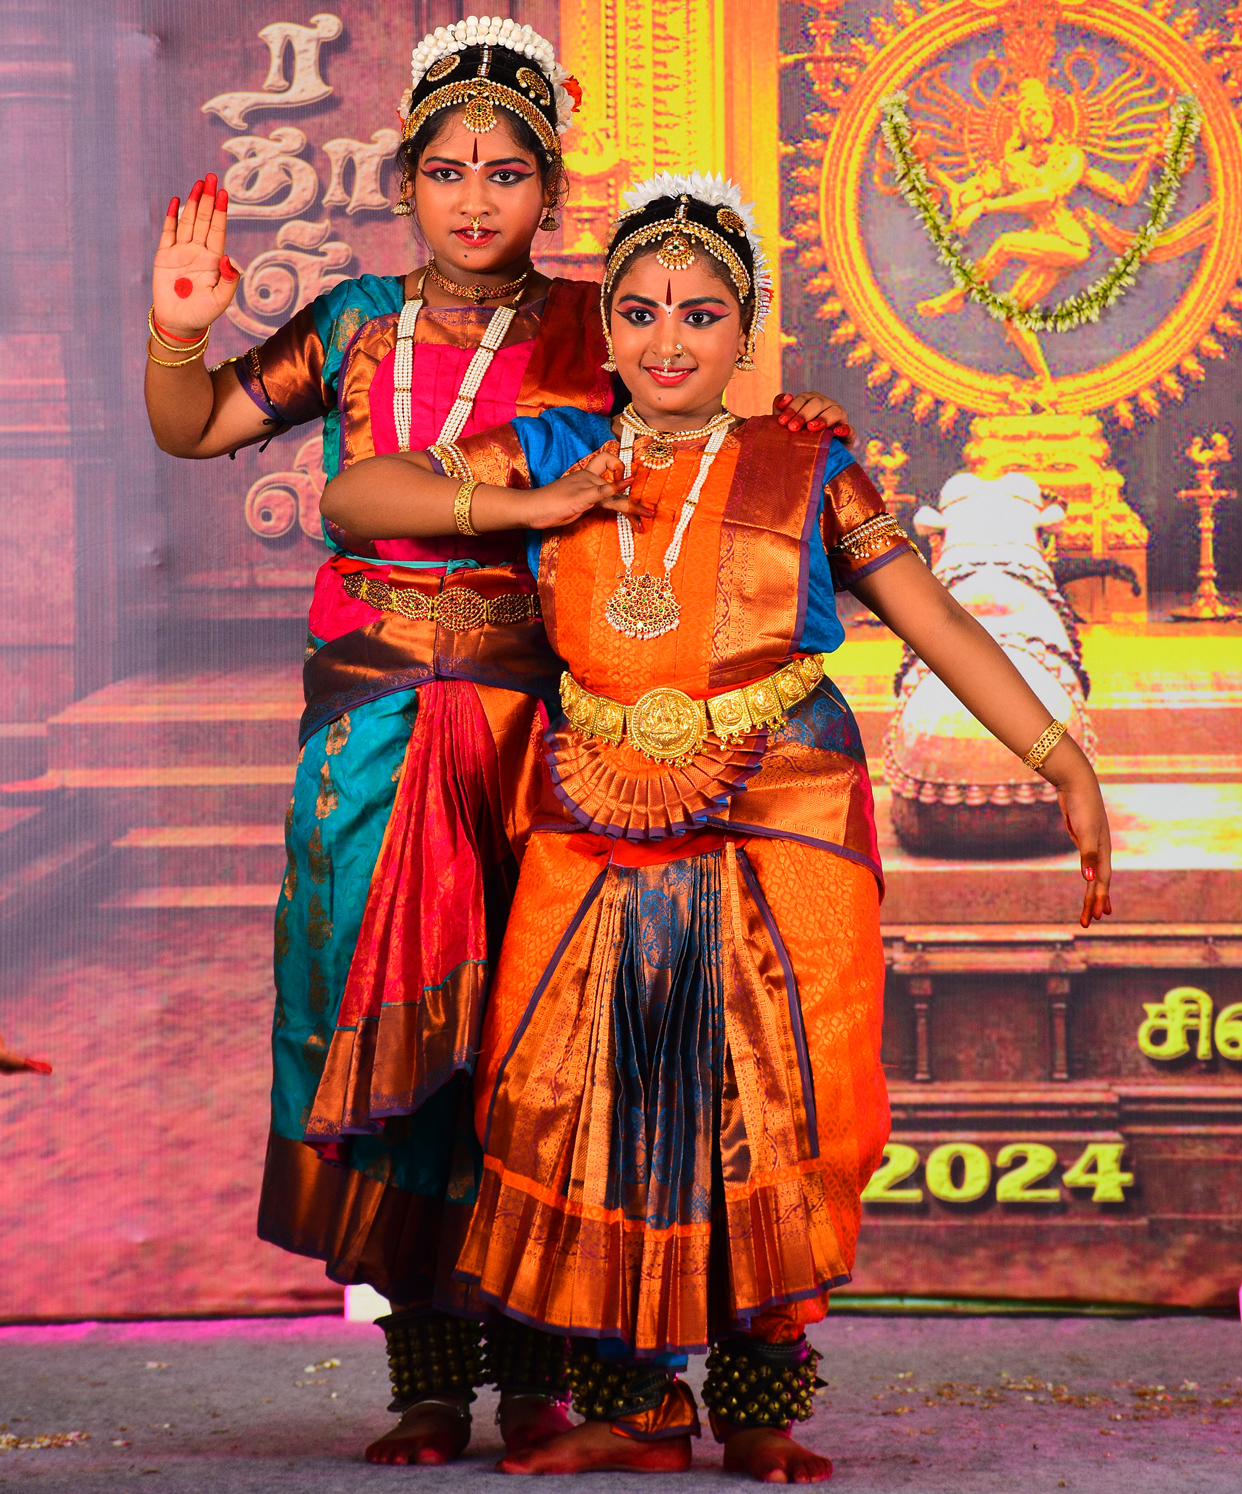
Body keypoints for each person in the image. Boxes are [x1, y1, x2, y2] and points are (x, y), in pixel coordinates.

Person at [321, 170, 1114, 1483]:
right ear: (609, 326)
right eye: (639, 311)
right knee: (577, 1094)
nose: (668, 340)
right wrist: (523, 509)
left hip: (779, 804)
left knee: (777, 1099)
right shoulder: (561, 449)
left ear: (747, 327)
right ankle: (633, 1409)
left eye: (701, 313)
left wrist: (1058, 758)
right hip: (590, 806)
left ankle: (757, 1404)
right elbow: (359, 500)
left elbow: (932, 615)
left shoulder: (811, 464)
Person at [143, 17, 850, 1468]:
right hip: (373, 721)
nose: (476, 199)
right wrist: (175, 331)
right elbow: (198, 426)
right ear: (404, 177)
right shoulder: (353, 321)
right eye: (449, 170)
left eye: (509, 172)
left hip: (549, 729)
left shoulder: (602, 320)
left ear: (552, 187)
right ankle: (425, 1380)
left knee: (539, 1053)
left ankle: (543, 1378)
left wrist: (800, 423)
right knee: (386, 1029)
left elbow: (702, 415)